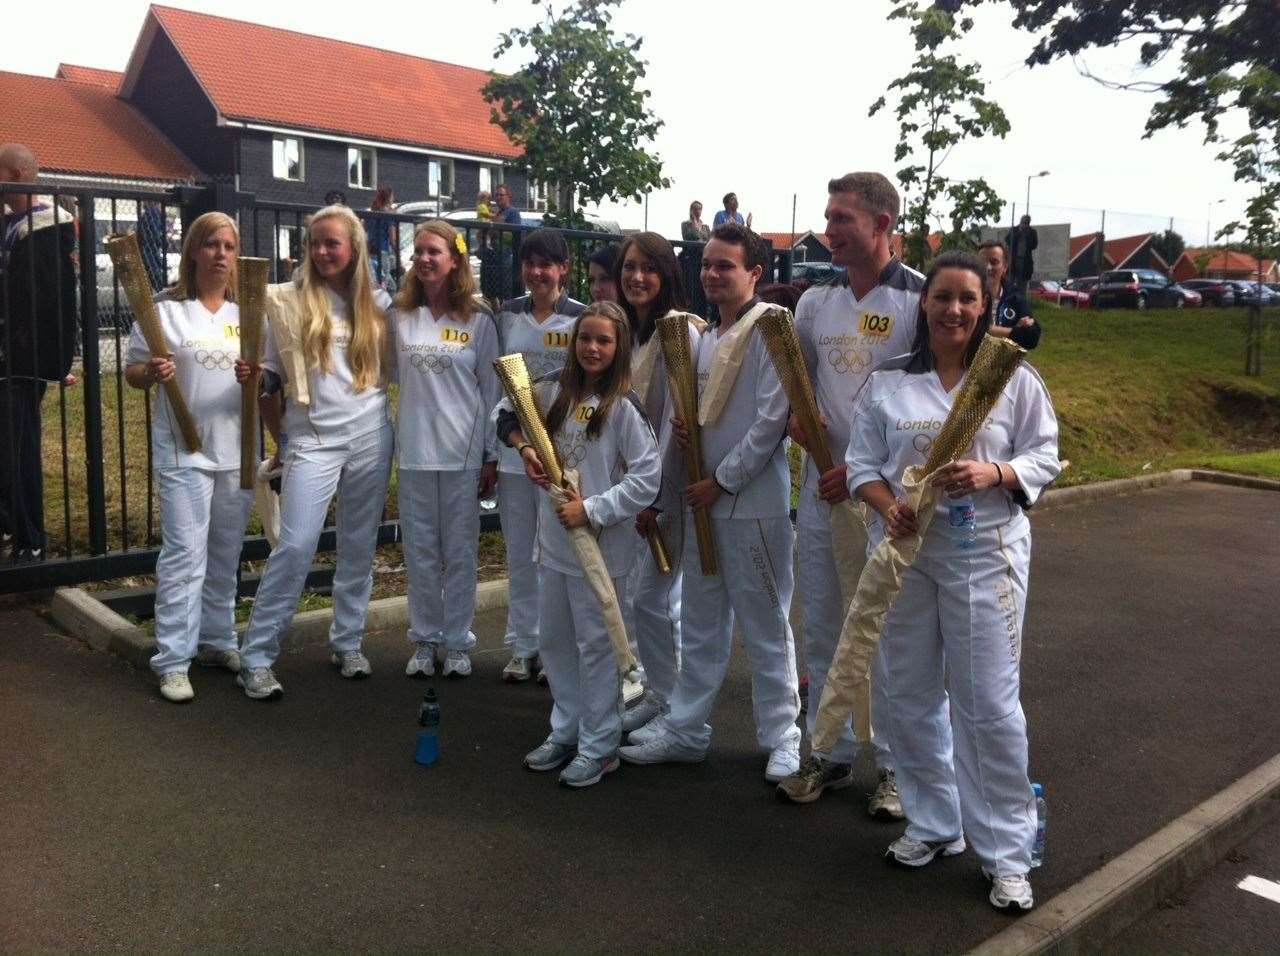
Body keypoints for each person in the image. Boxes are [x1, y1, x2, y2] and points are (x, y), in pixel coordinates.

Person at [846, 251, 1059, 912]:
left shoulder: (1011, 377)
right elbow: (861, 465)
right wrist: (889, 506)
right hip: (906, 553)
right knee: (905, 693)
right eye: (942, 297)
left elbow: (1044, 452)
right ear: (924, 303)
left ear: (987, 302)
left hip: (985, 551)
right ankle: (935, 824)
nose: (954, 310)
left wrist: (994, 475)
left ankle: (1008, 852)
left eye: (968, 298)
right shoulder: (888, 380)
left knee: (986, 702)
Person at [619, 223, 802, 783]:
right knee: (701, 622)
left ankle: (783, 737)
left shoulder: (770, 327)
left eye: (726, 265)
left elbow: (772, 420)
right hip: (703, 503)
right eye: (707, 265)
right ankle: (687, 728)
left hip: (751, 503)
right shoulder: (702, 338)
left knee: (766, 624)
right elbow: (695, 417)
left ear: (755, 273)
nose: (714, 274)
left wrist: (721, 481)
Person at [777, 172, 921, 816]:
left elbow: (928, 405)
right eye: (828, 217)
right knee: (826, 623)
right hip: (822, 486)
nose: (829, 230)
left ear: (882, 223)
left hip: (889, 496)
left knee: (887, 629)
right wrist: (813, 446)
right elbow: (796, 393)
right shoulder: (815, 302)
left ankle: (896, 768)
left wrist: (868, 474)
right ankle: (829, 751)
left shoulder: (919, 300)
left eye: (842, 219)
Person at [233, 204, 393, 700]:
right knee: (297, 544)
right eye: (315, 244)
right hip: (313, 439)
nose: (323, 252)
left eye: (332, 243)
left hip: (371, 435)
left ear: (354, 249)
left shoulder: (378, 303)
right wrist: (279, 433)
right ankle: (257, 656)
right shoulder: (285, 302)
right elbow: (270, 379)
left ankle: (347, 641)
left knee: (359, 545)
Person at [497, 301, 660, 787]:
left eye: (604, 341)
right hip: (554, 545)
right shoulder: (550, 389)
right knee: (554, 642)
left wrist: (592, 509)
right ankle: (565, 729)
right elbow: (503, 413)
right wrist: (525, 447)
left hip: (601, 549)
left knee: (596, 647)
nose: (592, 348)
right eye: (585, 338)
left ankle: (600, 743)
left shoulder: (625, 406)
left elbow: (647, 479)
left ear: (620, 348)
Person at [123, 212, 251, 702]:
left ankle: (216, 640)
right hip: (184, 450)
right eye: (212, 244)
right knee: (183, 554)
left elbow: (267, 378)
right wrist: (150, 373)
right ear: (194, 250)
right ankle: (173, 659)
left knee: (225, 552)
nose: (221, 254)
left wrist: (256, 376)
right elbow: (133, 372)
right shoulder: (165, 311)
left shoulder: (248, 313)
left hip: (236, 449)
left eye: (230, 246)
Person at [392, 220, 500, 680]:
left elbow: (493, 390)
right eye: (418, 251)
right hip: (415, 450)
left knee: (459, 553)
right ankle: (425, 639)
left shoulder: (477, 319)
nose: (424, 259)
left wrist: (491, 455)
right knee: (420, 552)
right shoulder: (399, 315)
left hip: (462, 454)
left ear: (455, 259)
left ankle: (457, 642)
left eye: (434, 251)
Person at [613, 231, 698, 734]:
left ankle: (674, 708)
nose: (636, 277)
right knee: (641, 600)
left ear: (667, 274)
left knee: (656, 600)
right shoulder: (627, 329)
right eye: (629, 268)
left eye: (647, 268)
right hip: (627, 491)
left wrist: (654, 496)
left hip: (661, 492)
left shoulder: (677, 331)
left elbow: (674, 421)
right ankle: (660, 695)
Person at [494, 229, 585, 683]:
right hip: (515, 454)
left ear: (563, 269)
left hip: (561, 458)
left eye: (546, 264)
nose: (537, 272)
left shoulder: (580, 318)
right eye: (530, 264)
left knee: (555, 556)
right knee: (520, 555)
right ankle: (523, 646)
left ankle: (554, 650)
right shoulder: (508, 314)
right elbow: (498, 388)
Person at [0, 143, 77, 565]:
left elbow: (52, 302)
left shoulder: (47, 228)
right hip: (9, 355)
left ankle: (30, 539)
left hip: (22, 361)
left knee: (18, 449)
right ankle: (11, 523)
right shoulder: (13, 224)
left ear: (13, 176)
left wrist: (48, 359)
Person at [978, 240, 1041, 351]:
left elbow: (1032, 337)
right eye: (982, 262)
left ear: (1005, 267)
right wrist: (1014, 331)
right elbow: (968, 330)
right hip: (968, 362)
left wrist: (988, 331)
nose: (987, 267)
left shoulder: (1015, 298)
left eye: (994, 262)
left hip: (1005, 363)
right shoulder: (965, 297)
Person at [366, 186, 395, 289]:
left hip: (371, 250)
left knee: (376, 277)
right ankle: (387, 302)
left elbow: (365, 230)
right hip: (383, 249)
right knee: (385, 280)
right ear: (389, 198)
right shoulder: (389, 214)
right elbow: (392, 238)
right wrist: (397, 251)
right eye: (392, 196)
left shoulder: (372, 213)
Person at [1005, 215, 1038, 292]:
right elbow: (1008, 240)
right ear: (1020, 222)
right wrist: (1018, 233)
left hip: (1025, 262)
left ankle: (1020, 302)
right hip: (1013, 261)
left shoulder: (1032, 232)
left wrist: (1027, 235)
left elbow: (1034, 245)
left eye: (1027, 223)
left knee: (1022, 286)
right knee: (1010, 283)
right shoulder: (1014, 229)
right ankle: (1009, 300)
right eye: (1023, 222)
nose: (1025, 224)